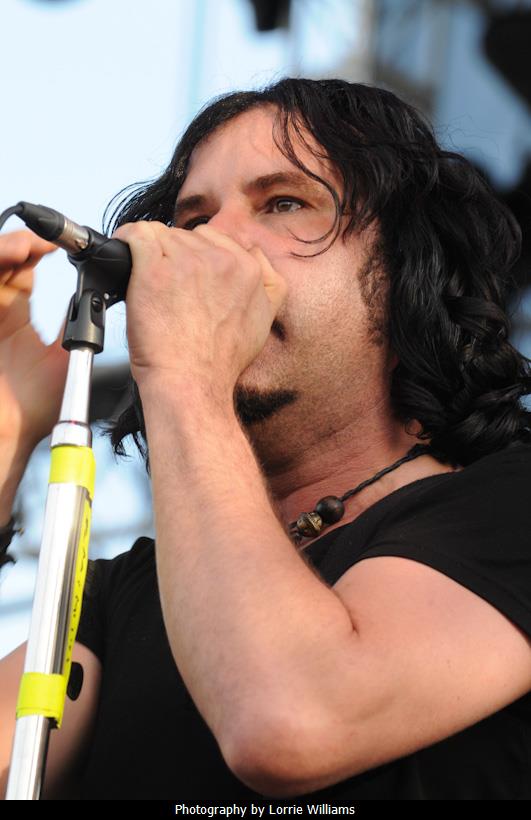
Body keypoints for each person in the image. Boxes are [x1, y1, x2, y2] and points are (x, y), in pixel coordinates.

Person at [1, 78, 531, 802]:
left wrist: (186, 372)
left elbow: (291, 721)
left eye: (284, 203)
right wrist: (6, 430)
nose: (214, 242)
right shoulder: (121, 598)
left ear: (409, 272)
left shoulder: (509, 506)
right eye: (194, 219)